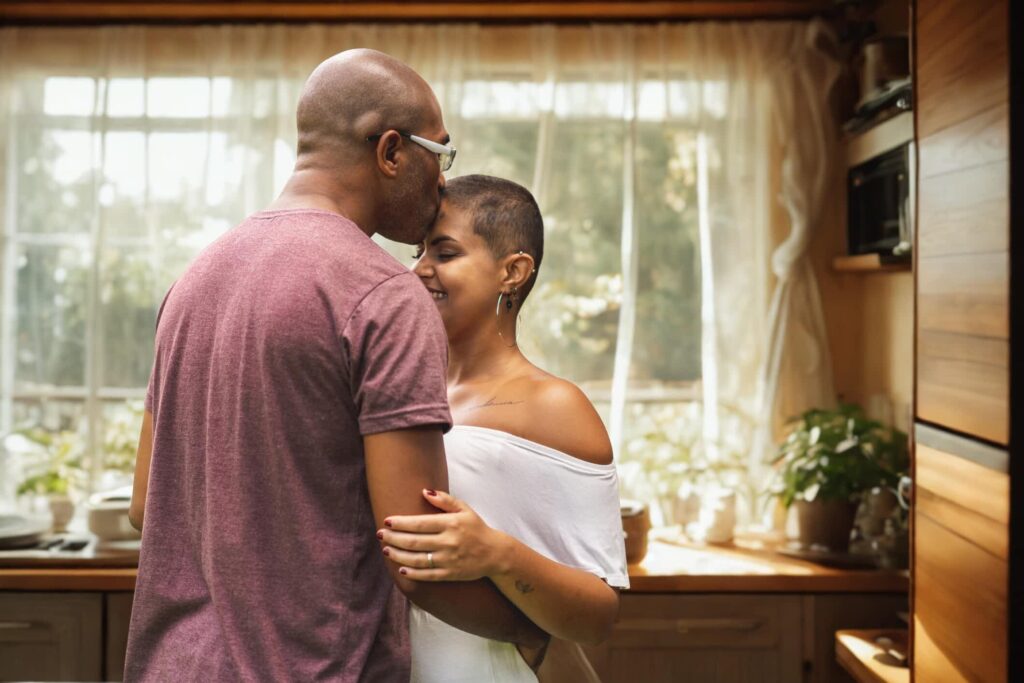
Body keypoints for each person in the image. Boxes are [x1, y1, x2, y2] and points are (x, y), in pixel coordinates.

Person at [124, 51, 547, 681]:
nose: (440, 185)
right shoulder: (382, 295)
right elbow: (416, 554)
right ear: (392, 152)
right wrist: (532, 632)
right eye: (441, 155)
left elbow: (144, 503)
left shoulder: (194, 281)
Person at [377, 174, 629, 682]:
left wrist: (497, 553)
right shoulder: (396, 393)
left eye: (444, 254)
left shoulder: (556, 405)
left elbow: (598, 615)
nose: (420, 270)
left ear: (512, 272)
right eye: (419, 254)